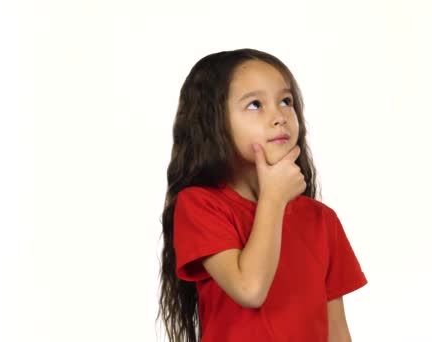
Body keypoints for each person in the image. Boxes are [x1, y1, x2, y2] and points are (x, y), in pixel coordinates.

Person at [157, 48, 367, 342]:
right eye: (255, 104)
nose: (279, 117)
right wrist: (274, 199)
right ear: (213, 121)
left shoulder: (322, 220)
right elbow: (250, 289)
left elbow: (337, 331)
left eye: (286, 101)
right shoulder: (199, 205)